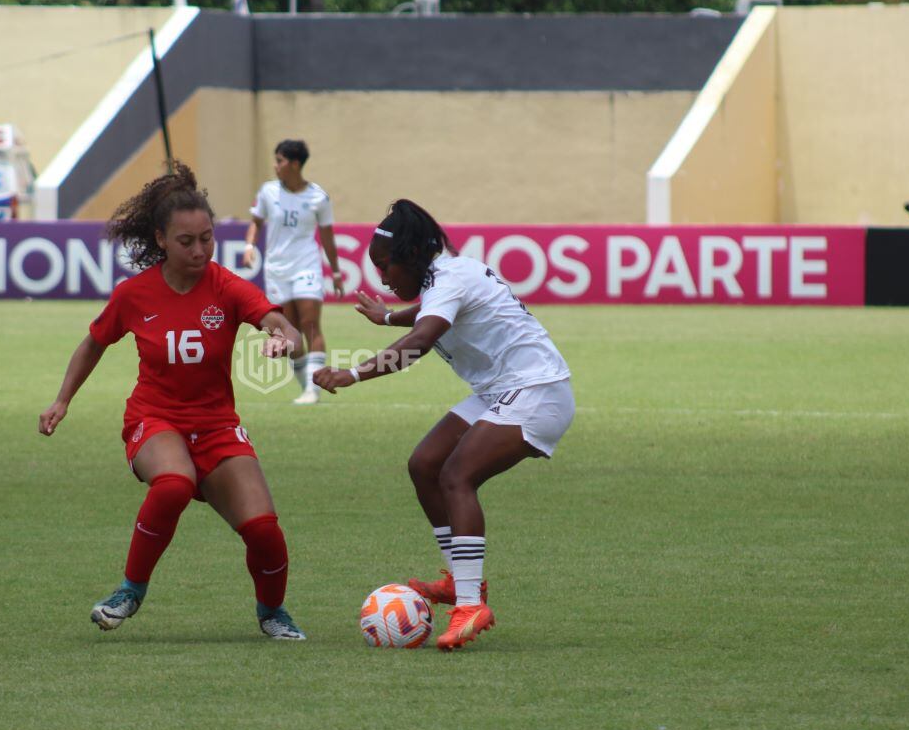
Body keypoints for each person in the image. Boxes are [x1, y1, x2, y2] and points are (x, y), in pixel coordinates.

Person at [38, 162, 308, 641]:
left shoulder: (225, 286)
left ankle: (272, 612)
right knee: (174, 484)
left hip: (218, 425)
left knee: (264, 529)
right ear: (161, 239)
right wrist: (63, 400)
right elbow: (94, 342)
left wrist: (282, 337)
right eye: (187, 241)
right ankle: (129, 591)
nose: (201, 249)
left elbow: (278, 322)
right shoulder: (134, 294)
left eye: (207, 238)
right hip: (154, 418)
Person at [313, 200, 575, 651]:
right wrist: (388, 316)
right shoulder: (443, 279)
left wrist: (351, 374)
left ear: (411, 256)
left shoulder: (450, 279)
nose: (382, 278)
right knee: (425, 464)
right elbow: (425, 313)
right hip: (501, 390)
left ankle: (471, 605)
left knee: (457, 475)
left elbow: (420, 340)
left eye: (385, 265)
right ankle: (460, 580)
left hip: (537, 391)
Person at [242, 139, 344, 405]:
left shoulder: (318, 197)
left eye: (280, 160)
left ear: (295, 164)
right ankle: (306, 388)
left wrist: (335, 272)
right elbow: (256, 222)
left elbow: (328, 237)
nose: (275, 166)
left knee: (310, 325)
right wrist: (249, 245)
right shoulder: (268, 192)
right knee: (290, 331)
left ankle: (314, 389)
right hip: (276, 269)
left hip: (306, 265)